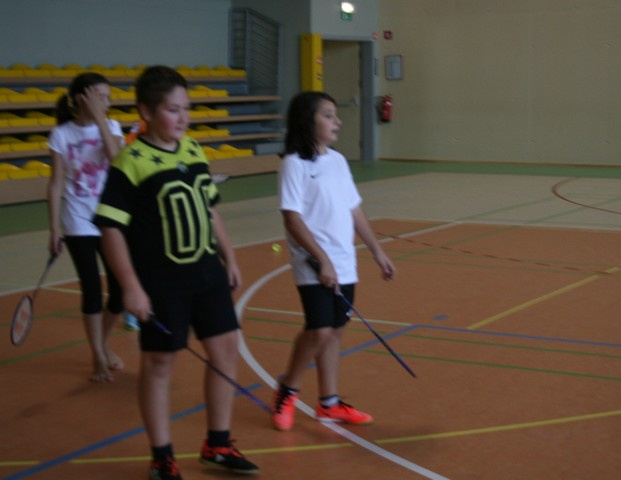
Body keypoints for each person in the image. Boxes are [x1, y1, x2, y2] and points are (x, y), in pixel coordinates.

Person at [93, 66, 258, 479]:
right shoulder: (130, 162)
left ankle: (217, 444)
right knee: (160, 364)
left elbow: (210, 209)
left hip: (207, 274)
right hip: (162, 282)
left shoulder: (194, 149)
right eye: (172, 110)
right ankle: (161, 456)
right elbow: (110, 228)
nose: (183, 117)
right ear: (146, 112)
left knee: (225, 351)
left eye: (186, 108)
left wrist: (229, 256)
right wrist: (131, 287)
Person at [271, 91, 396, 431]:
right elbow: (292, 218)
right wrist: (322, 259)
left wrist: (377, 251)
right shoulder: (294, 164)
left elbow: (354, 209)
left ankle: (329, 403)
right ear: (307, 121)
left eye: (335, 114)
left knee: (335, 331)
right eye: (327, 115)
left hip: (344, 261)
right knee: (318, 330)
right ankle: (287, 391)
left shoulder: (338, 161)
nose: (336, 121)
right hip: (313, 263)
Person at [47, 72, 125, 383]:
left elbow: (117, 160)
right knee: (91, 288)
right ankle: (97, 355)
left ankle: (102, 344)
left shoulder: (112, 127)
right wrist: (54, 229)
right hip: (77, 218)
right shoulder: (61, 134)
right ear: (81, 98)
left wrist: (100, 119)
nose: (107, 102)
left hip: (109, 216)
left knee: (119, 291)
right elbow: (55, 184)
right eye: (100, 96)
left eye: (108, 97)